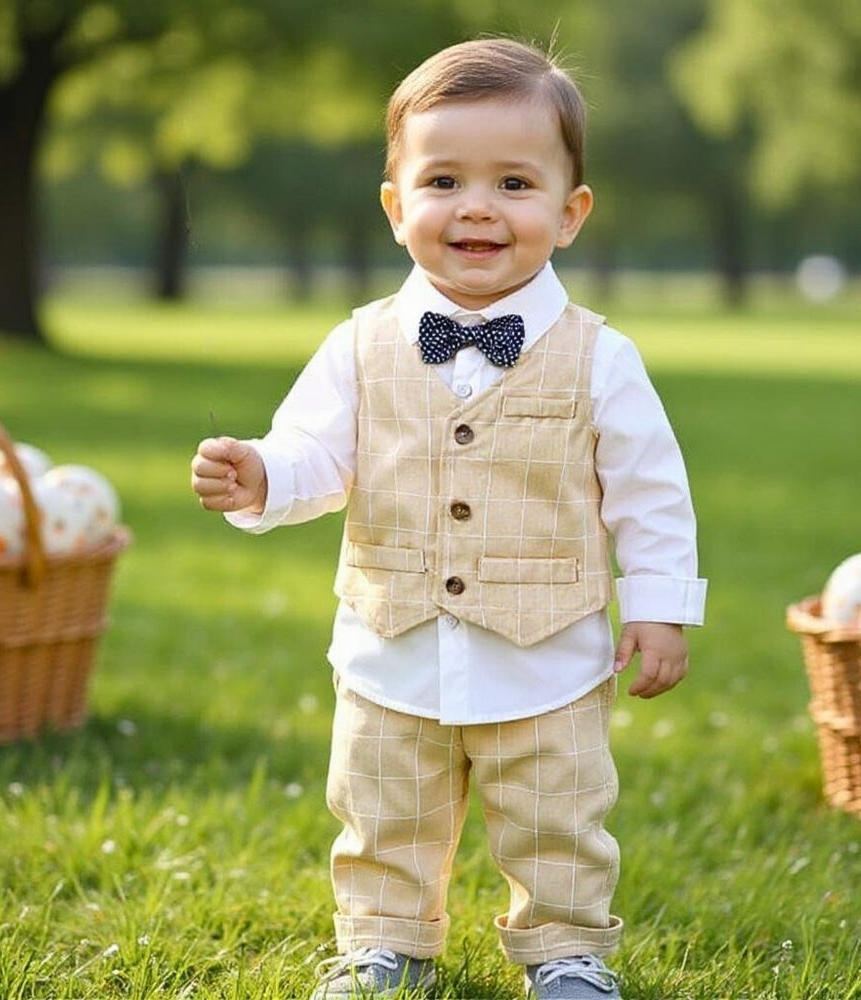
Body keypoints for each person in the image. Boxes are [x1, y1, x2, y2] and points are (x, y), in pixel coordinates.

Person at [191, 37, 707, 1000]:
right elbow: (315, 452)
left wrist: (660, 607)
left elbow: (649, 490)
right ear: (396, 208)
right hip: (390, 650)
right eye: (443, 180)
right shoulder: (360, 345)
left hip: (545, 657)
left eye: (515, 182)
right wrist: (262, 474)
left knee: (559, 816)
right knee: (385, 813)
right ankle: (384, 944)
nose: (476, 206)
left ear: (569, 212)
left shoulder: (601, 358)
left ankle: (566, 951)